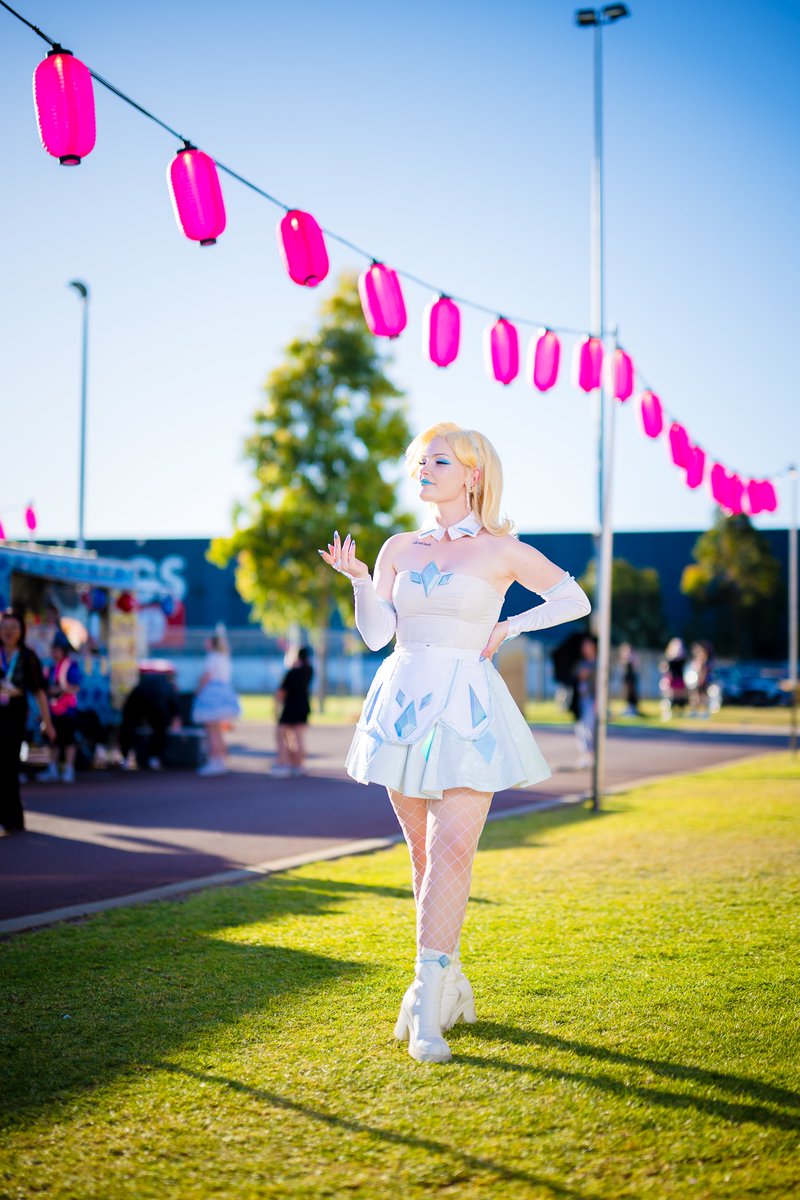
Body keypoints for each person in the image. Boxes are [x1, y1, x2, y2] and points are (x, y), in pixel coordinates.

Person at [320, 422, 591, 1064]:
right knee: (422, 858)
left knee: (451, 851)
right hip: (402, 704)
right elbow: (375, 636)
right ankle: (448, 985)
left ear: (472, 474)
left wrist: (510, 625)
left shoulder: (502, 547)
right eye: (421, 460)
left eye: (439, 460)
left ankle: (424, 1005)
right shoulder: (396, 548)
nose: (424, 468)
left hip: (468, 707)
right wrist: (361, 578)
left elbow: (572, 598)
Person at [0, 610, 56, 833]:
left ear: (21, 631)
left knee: (9, 766)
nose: (8, 631)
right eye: (5, 626)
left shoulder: (27, 656)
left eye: (14, 627)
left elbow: (39, 691)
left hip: (14, 713)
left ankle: (13, 819)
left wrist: (47, 721)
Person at [193, 631, 240, 777]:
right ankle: (220, 760)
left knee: (212, 731)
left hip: (212, 694)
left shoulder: (212, 657)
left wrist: (198, 691)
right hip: (224, 693)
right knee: (217, 731)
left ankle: (214, 761)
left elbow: (206, 677)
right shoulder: (224, 658)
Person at [39, 631, 82, 784]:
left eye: (57, 650)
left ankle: (69, 769)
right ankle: (53, 768)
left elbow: (75, 687)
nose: (55, 653)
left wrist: (59, 690)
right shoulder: (49, 668)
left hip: (67, 709)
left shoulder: (70, 666)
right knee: (53, 740)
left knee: (68, 740)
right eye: (53, 650)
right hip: (52, 708)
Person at [119, 669, 181, 770]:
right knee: (160, 729)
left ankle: (125, 758)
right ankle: (153, 758)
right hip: (150, 704)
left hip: (141, 702)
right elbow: (175, 705)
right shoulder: (168, 686)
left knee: (128, 727)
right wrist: (176, 716)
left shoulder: (148, 684)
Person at [270, 646, 314, 779]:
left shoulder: (291, 673)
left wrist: (275, 707)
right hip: (303, 706)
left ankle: (283, 763)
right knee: (298, 737)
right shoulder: (309, 670)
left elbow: (281, 692)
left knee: (280, 734)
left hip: (290, 707)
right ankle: (298, 765)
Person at [569, 635, 597, 769]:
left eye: (588, 646)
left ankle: (591, 755)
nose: (586, 649)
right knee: (580, 728)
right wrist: (580, 674)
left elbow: (601, 684)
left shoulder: (598, 663)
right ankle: (585, 755)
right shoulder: (580, 663)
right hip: (579, 699)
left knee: (589, 727)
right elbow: (574, 676)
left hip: (592, 699)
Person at [659, 637, 688, 719]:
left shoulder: (682, 657)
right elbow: (664, 667)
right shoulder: (668, 657)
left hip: (679, 678)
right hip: (670, 678)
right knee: (670, 695)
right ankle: (669, 711)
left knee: (680, 696)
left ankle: (680, 711)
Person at [618, 642, 641, 717]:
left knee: (632, 693)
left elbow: (636, 666)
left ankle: (633, 708)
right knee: (626, 692)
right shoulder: (624, 657)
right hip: (626, 678)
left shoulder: (633, 657)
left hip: (632, 678)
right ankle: (628, 707)